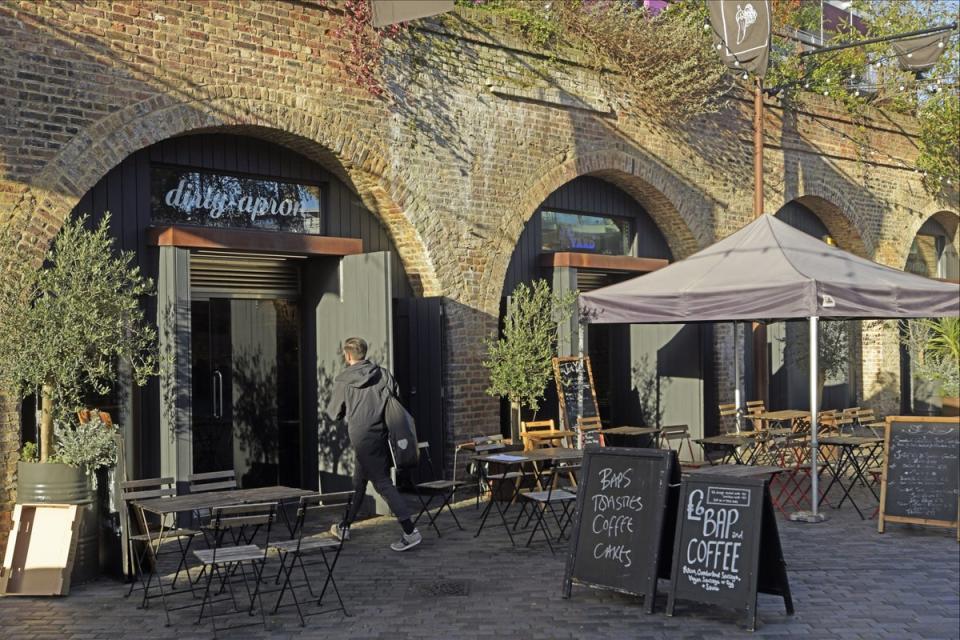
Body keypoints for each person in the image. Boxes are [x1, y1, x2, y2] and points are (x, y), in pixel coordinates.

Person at [324, 336, 421, 551]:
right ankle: (345, 526)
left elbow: (333, 413)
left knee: (382, 483)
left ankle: (410, 531)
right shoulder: (383, 374)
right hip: (381, 436)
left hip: (361, 437)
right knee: (359, 483)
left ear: (348, 355)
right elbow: (397, 400)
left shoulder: (344, 380)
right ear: (364, 353)